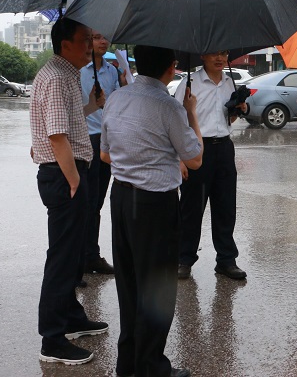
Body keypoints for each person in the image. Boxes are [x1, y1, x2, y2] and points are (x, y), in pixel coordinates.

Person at [101, 45, 202, 377]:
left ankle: (128, 364)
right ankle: (151, 367)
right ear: (172, 67)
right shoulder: (169, 106)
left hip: (121, 199)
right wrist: (192, 115)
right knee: (157, 288)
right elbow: (195, 157)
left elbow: (105, 155)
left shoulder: (116, 98)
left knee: (129, 284)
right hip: (155, 205)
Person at [30, 17, 108, 365]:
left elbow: (68, 122)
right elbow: (57, 136)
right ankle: (52, 337)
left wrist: (93, 104)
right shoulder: (57, 78)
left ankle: (72, 317)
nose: (89, 47)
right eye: (84, 40)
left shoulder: (66, 75)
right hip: (65, 175)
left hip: (70, 170)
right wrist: (75, 180)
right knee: (62, 256)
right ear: (65, 44)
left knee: (74, 252)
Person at [174, 51, 247, 281]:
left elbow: (228, 119)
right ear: (203, 56)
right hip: (196, 148)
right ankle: (183, 259)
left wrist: (238, 109)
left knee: (226, 206)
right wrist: (179, 159)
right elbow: (176, 120)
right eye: (214, 54)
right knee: (191, 208)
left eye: (224, 53)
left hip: (224, 147)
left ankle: (226, 260)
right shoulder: (189, 83)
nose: (220, 58)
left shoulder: (230, 82)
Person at [79, 33, 127, 277]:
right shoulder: (78, 70)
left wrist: (126, 80)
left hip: (106, 140)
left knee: (96, 202)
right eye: (97, 37)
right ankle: (80, 257)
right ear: (88, 41)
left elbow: (121, 101)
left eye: (105, 37)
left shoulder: (112, 72)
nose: (102, 41)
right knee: (83, 202)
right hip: (84, 138)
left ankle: (91, 255)